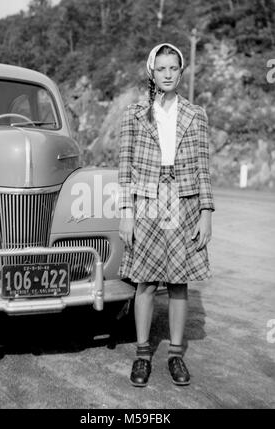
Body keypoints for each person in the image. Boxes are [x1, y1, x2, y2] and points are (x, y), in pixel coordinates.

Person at [117, 42, 215, 387]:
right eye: (162, 68)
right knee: (144, 282)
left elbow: (204, 167)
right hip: (146, 201)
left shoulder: (196, 114)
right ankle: (143, 354)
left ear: (181, 70)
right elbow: (125, 167)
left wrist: (206, 212)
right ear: (152, 72)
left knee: (177, 282)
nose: (168, 74)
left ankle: (175, 355)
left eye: (174, 68)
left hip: (183, 201)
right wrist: (126, 212)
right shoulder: (134, 114)